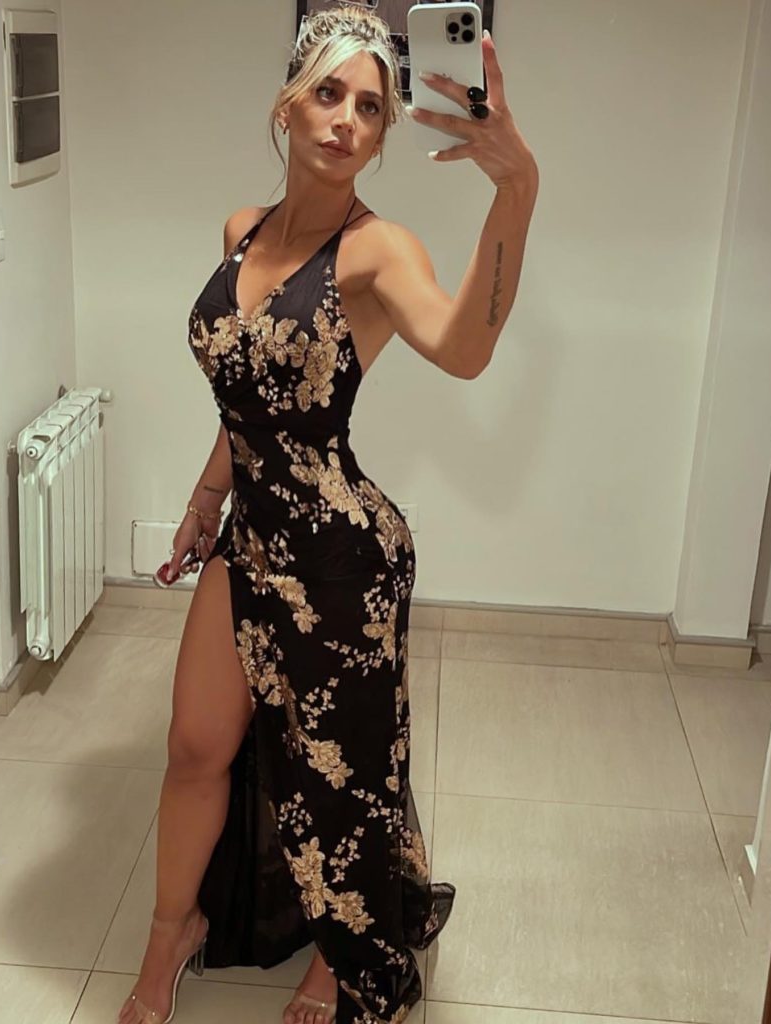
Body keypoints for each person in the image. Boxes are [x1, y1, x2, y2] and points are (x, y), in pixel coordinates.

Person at [118, 5, 538, 1024]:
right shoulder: (240, 231)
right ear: (287, 105)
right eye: (329, 93)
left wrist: (516, 189)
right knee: (195, 746)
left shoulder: (377, 252)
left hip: (342, 557)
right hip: (248, 536)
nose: (347, 118)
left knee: (340, 780)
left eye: (371, 107)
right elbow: (248, 397)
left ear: (383, 136)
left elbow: (465, 348)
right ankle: (171, 931)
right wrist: (206, 498)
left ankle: (341, 957)